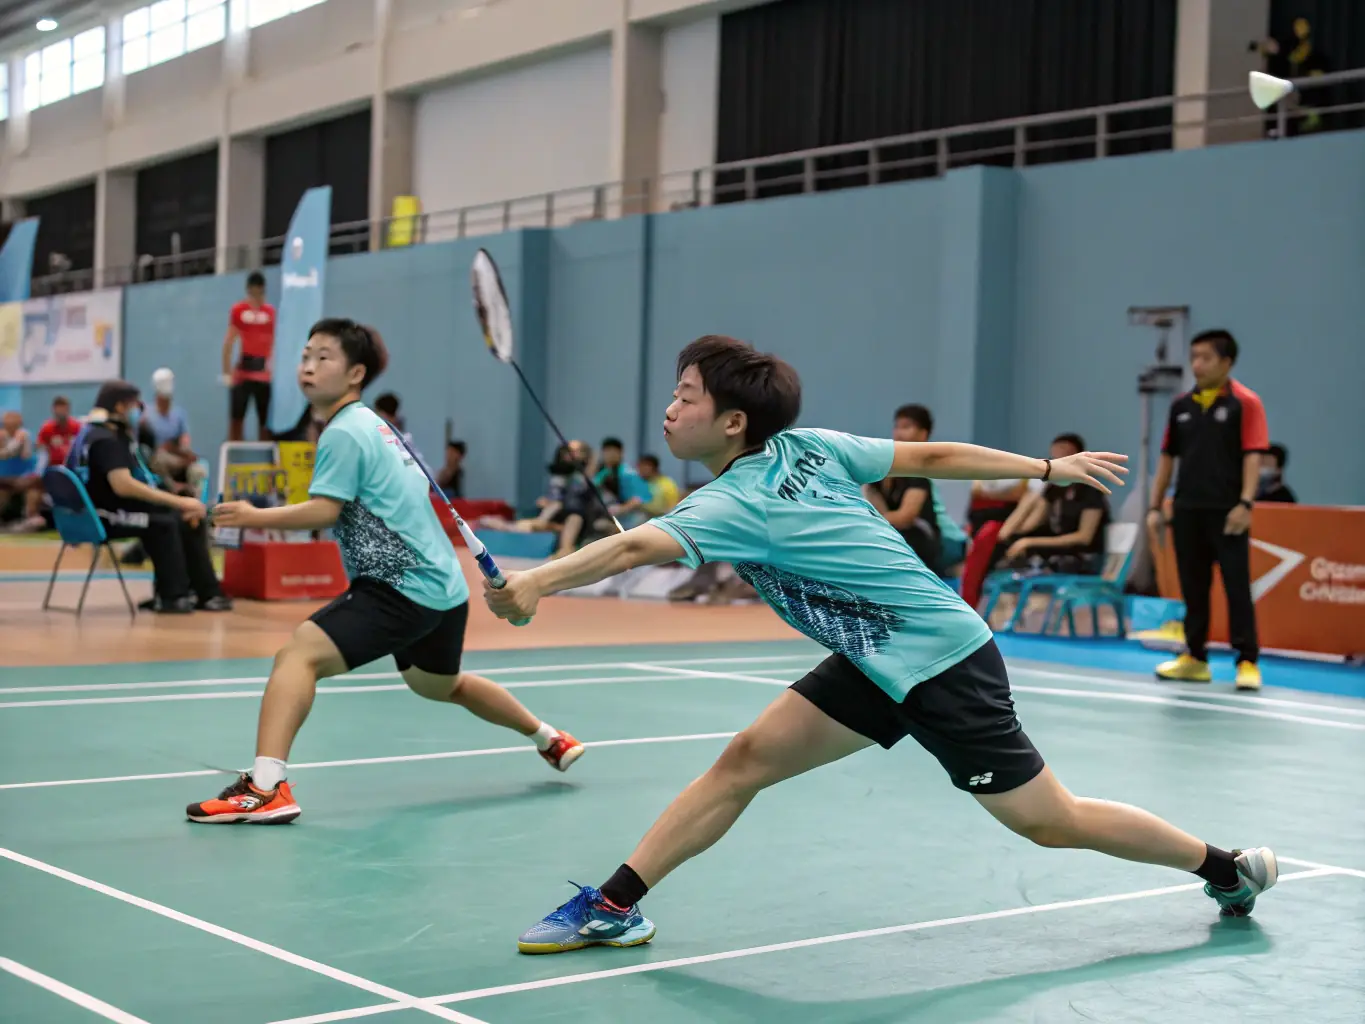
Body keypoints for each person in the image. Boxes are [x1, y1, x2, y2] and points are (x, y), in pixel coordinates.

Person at [484, 334, 1276, 954]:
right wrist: (1042, 465)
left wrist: (531, 585)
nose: (668, 409)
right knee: (744, 760)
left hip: (940, 663)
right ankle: (615, 904)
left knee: (1049, 819)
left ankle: (1223, 868)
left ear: (732, 422)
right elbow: (929, 459)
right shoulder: (810, 447)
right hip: (874, 658)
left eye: (684, 397)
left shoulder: (737, 501)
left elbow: (626, 550)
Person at [192, 318, 583, 824]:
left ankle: (266, 787)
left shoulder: (345, 433)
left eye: (324, 357)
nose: (308, 366)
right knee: (440, 685)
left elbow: (323, 510)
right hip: (444, 586)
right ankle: (549, 738)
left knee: (298, 656)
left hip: (401, 584)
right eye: (306, 355)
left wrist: (252, 517)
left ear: (355, 373)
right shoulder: (378, 425)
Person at [1148, 329, 1267, 691]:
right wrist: (1155, 507)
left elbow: (1253, 455)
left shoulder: (1245, 403)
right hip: (1187, 510)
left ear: (1226, 362)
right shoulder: (1181, 406)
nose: (1197, 364)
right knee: (1193, 588)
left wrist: (1246, 503)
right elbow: (1168, 458)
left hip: (1227, 511)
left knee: (1236, 587)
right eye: (1194, 357)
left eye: (1206, 358)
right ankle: (1195, 658)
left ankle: (1247, 661)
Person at [71, 381, 230, 614]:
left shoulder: (93, 432)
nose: (139, 411)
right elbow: (123, 485)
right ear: (120, 407)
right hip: (104, 517)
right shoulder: (105, 439)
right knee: (165, 522)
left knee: (180, 516)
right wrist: (178, 501)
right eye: (135, 405)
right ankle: (174, 596)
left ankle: (194, 591)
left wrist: (176, 499)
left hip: (99, 511)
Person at [223, 271, 276, 442]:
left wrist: (272, 368)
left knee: (265, 422)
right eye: (253, 292)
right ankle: (234, 456)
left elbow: (274, 342)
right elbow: (229, 341)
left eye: (259, 292)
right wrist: (226, 372)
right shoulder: (238, 310)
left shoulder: (270, 313)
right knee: (236, 420)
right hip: (242, 373)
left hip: (263, 375)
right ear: (248, 291)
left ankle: (266, 459)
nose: (256, 297)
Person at [0, 409, 45, 531]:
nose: (11, 423)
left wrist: (19, 441)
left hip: (24, 478)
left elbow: (27, 455)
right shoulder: (2, 435)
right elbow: (5, 454)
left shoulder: (25, 435)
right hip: (4, 479)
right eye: (8, 420)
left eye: (15, 420)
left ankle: (30, 518)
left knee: (35, 487)